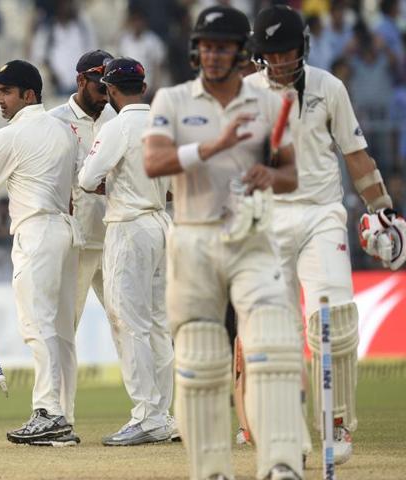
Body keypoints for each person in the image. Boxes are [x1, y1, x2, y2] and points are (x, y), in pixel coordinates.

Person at [143, 6, 303, 480]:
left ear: (240, 52)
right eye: (207, 46)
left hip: (251, 238)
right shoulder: (171, 100)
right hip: (193, 239)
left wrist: (269, 174)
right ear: (196, 49)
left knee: (273, 346)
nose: (213, 56)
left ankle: (282, 465)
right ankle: (212, 471)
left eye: (223, 47)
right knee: (198, 360)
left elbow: (292, 174)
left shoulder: (270, 104)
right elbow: (154, 163)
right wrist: (214, 145)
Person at [246, 4, 400, 466]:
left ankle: (336, 423)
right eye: (271, 53)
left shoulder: (328, 87)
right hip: (267, 218)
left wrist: (384, 211)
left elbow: (355, 154)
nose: (280, 62)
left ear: (304, 47)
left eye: (287, 52)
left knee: (332, 322)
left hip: (320, 213)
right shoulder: (245, 94)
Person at [0, 59, 82, 447]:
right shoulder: (63, 130)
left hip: (35, 232)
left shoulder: (10, 135)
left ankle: (48, 412)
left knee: (38, 326)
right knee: (61, 330)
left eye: (6, 91)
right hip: (65, 231)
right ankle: (63, 415)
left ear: (28, 95)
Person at [78, 57, 174, 446]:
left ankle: (146, 416)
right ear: (144, 87)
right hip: (161, 222)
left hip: (129, 226)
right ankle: (163, 415)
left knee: (128, 323)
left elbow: (86, 178)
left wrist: (110, 184)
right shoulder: (167, 124)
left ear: (113, 91)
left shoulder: (118, 126)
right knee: (158, 322)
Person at [48, 49, 115, 342]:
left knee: (128, 326)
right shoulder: (55, 121)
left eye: (109, 88)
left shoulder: (116, 117)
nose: (105, 95)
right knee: (65, 328)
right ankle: (57, 390)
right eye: (100, 87)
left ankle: (147, 391)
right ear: (80, 81)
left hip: (114, 238)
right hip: (76, 242)